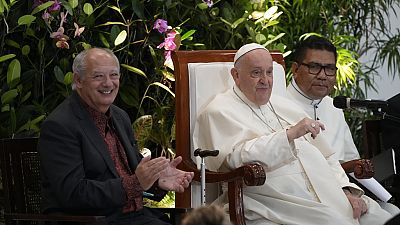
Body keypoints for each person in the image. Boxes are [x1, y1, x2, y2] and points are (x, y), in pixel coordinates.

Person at [193, 43, 393, 225]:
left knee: (388, 216)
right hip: (273, 199)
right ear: (236, 75)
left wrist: (345, 190)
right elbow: (233, 159)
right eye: (256, 73)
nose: (265, 80)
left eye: (269, 72)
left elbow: (327, 156)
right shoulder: (218, 111)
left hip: (325, 193)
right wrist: (288, 135)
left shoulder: (284, 105)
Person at [38, 47, 194, 225]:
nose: (108, 83)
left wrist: (158, 180)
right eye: (98, 76)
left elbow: (134, 173)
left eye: (114, 75)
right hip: (94, 220)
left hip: (136, 217)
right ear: (78, 80)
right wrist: (135, 183)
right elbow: (73, 193)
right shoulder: (60, 126)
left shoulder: (119, 116)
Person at [286, 36, 400, 215]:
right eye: (314, 67)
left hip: (346, 191)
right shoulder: (278, 107)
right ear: (295, 69)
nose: (323, 75)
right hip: (307, 199)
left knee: (391, 213)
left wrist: (359, 170)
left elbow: (349, 161)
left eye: (330, 69)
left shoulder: (333, 107)